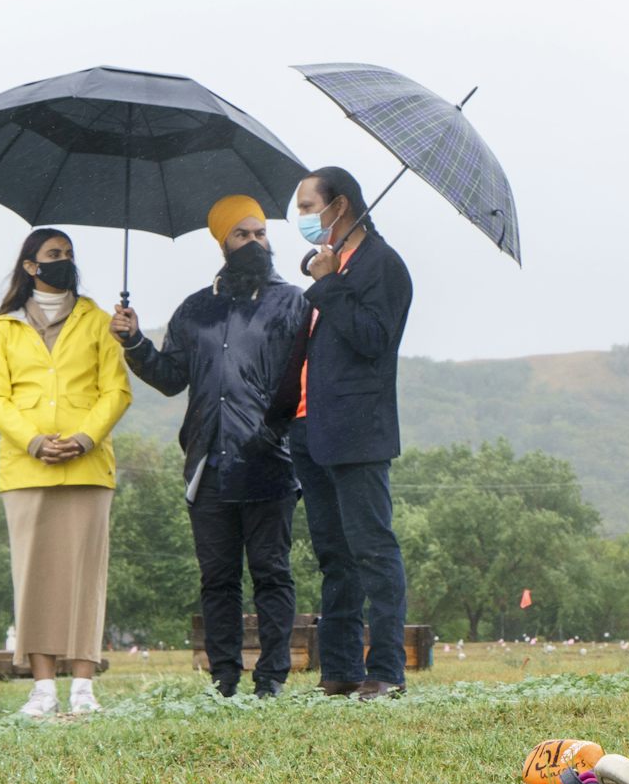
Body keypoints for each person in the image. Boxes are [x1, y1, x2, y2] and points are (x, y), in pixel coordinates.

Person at [111, 196, 310, 698]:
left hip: (270, 462)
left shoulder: (294, 303)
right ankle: (224, 677)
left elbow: (305, 380)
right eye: (243, 235)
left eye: (261, 233)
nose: (255, 243)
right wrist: (135, 343)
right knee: (218, 578)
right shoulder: (194, 309)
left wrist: (275, 433)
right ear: (223, 242)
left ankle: (272, 678)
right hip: (208, 463)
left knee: (272, 573)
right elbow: (171, 378)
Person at [0, 229, 132, 716]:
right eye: (52, 255)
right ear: (30, 266)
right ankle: (43, 686)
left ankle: (83, 685)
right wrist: (35, 441)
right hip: (26, 469)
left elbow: (116, 392)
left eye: (67, 255)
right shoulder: (3, 328)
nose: (63, 261)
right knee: (34, 576)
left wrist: (84, 438)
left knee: (87, 575)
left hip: (89, 469)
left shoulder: (101, 321)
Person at [274, 166, 414, 699]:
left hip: (359, 430)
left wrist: (330, 284)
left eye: (310, 206)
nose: (304, 218)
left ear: (341, 205)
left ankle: (385, 671)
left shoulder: (384, 265)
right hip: (310, 428)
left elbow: (374, 340)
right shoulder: (326, 266)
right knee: (333, 554)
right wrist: (325, 278)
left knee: (372, 550)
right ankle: (339, 670)